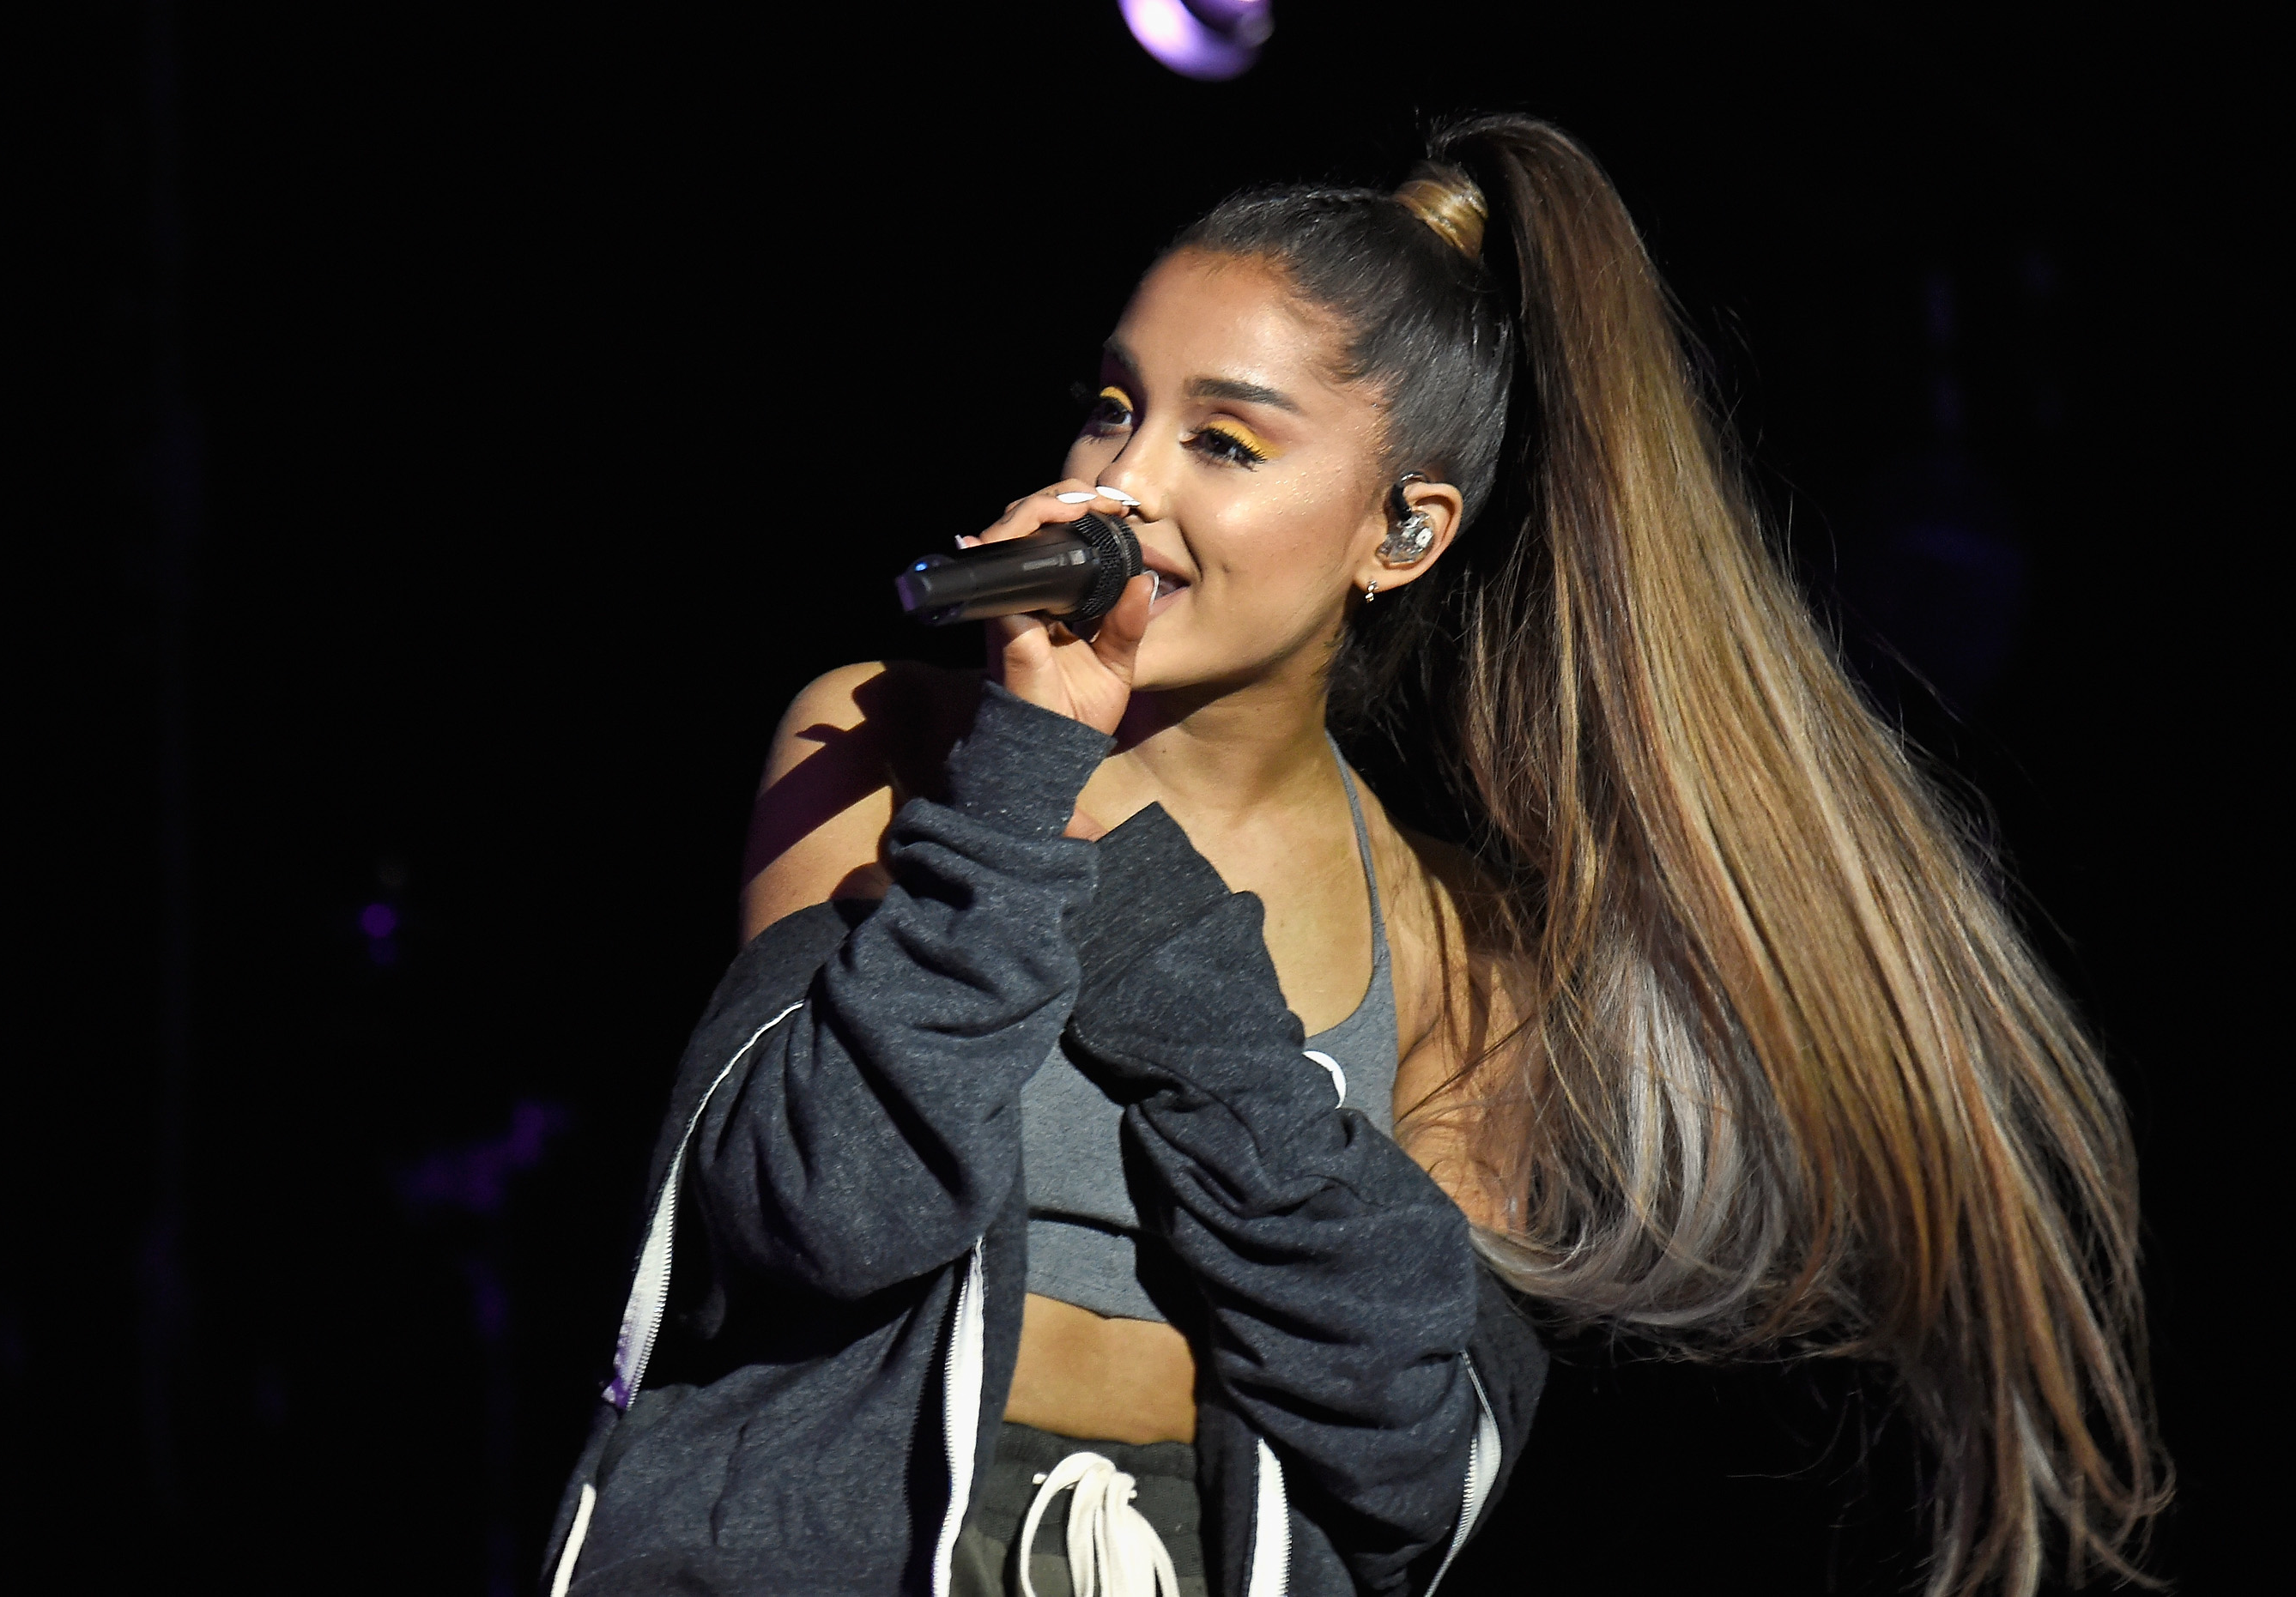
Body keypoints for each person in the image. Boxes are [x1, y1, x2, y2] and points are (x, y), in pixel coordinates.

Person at [541, 115, 2166, 1597]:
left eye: (1225, 444)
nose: (1119, 484)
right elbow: (806, 1220)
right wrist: (1022, 783)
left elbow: (1410, 1444)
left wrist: (1166, 954)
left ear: (1403, 532)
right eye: (1116, 406)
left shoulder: (1452, 942)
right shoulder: (885, 739)